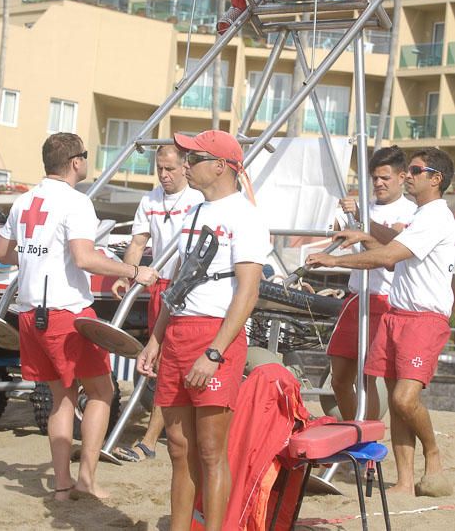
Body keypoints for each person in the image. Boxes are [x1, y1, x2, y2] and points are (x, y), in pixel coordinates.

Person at [0, 133, 157, 501]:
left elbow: (2, 253)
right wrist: (133, 272)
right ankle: (85, 480)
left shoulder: (24, 200)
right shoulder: (76, 202)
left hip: (30, 311)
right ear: (75, 162)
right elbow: (84, 258)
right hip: (66, 313)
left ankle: (62, 485)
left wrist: (41, 256)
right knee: (101, 391)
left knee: (61, 398)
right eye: (84, 156)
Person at [137, 130, 270, 531]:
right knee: (178, 447)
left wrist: (214, 352)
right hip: (178, 331)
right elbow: (179, 284)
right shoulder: (195, 212)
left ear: (221, 166)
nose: (186, 165)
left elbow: (248, 293)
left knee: (211, 449)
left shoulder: (245, 216)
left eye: (194, 158)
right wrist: (155, 339)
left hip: (215, 336)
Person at [306, 147, 455, 497]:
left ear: (436, 179)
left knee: (404, 400)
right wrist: (363, 236)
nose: (409, 175)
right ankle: (404, 481)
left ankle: (433, 453)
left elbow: (390, 255)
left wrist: (331, 261)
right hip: (398, 315)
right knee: (393, 399)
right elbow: (393, 257)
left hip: (423, 318)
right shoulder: (421, 216)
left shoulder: (436, 216)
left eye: (416, 170)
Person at [111, 144, 203, 462]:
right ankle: (157, 435)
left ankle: (150, 440)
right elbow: (138, 242)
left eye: (170, 169)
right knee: (158, 361)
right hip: (159, 284)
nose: (164, 175)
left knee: (168, 362)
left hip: (186, 287)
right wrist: (127, 275)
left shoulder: (197, 200)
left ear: (185, 167)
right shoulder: (150, 199)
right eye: (159, 168)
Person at [330, 146, 416, 419]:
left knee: (368, 379)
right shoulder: (362, 206)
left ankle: (366, 444)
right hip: (355, 297)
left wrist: (362, 227)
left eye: (385, 178)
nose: (378, 183)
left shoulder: (411, 212)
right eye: (375, 178)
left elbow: (391, 251)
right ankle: (353, 437)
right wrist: (340, 217)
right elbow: (335, 233)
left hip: (385, 299)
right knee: (340, 378)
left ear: (401, 177)